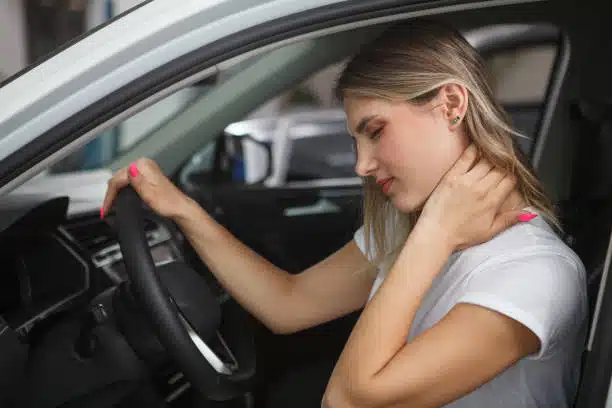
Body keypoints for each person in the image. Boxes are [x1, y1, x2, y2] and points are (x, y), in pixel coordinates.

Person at [101, 18, 587, 408]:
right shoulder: (411, 228)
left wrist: (435, 235)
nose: (361, 164)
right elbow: (287, 304)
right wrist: (182, 209)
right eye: (355, 140)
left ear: (451, 106)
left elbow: (350, 399)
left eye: (375, 131)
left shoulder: (533, 274)